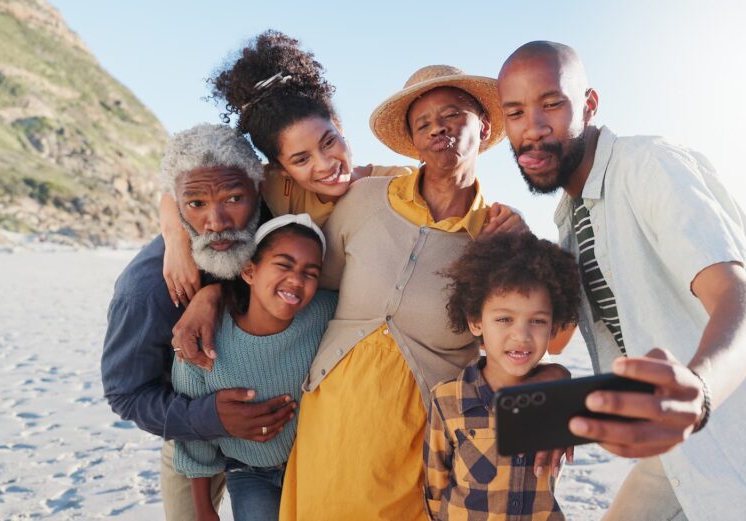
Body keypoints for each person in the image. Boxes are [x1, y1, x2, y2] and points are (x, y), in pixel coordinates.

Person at [497, 41, 746, 521]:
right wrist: (525, 258)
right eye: (515, 112)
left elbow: (738, 296)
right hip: (685, 436)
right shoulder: (570, 218)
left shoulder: (649, 165)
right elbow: (557, 337)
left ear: (589, 105)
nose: (532, 127)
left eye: (551, 104)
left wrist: (699, 391)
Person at [277, 64, 549, 521]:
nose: (437, 128)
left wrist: (527, 251)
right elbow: (305, 279)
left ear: (482, 126)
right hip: (331, 416)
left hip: (419, 432)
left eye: (451, 115)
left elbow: (536, 339)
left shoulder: (499, 237)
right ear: (413, 141)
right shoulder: (363, 200)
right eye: (422, 123)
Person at [167, 32, 524, 365]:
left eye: (329, 142)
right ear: (280, 167)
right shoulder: (274, 185)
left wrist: (510, 223)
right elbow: (182, 191)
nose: (325, 165)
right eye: (301, 159)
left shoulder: (393, 185)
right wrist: (176, 243)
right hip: (293, 313)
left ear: (339, 124)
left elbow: (454, 199)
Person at [101, 123, 298, 521]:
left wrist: (216, 294)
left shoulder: (280, 231)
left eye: (234, 197)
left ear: (260, 188)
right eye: (196, 205)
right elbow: (126, 392)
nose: (217, 220)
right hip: (191, 433)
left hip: (282, 434)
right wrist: (210, 418)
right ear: (178, 205)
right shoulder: (144, 291)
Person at [173, 214, 336, 521]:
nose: (297, 280)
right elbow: (193, 435)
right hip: (249, 473)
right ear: (249, 271)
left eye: (310, 273)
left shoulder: (326, 313)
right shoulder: (204, 339)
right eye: (284, 265)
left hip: (311, 466)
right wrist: (204, 508)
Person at [425, 232, 581, 521]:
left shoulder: (559, 399)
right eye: (504, 319)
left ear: (554, 325)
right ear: (475, 321)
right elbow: (435, 487)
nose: (521, 335)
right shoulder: (447, 400)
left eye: (537, 321)